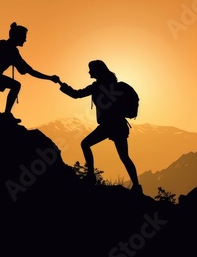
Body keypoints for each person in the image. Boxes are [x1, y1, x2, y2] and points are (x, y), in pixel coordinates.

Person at [58, 60, 142, 194]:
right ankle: (137, 186)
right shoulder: (114, 85)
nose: (89, 72)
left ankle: (91, 176)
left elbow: (76, 94)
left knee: (85, 144)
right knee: (124, 157)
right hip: (118, 125)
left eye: (91, 69)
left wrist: (61, 85)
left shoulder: (96, 87)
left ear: (97, 71)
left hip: (108, 125)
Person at [0, 22, 60, 122]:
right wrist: (50, 78)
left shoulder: (2, 44)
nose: (25, 39)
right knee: (15, 86)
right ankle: (6, 114)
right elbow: (30, 71)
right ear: (17, 36)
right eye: (24, 36)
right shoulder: (11, 52)